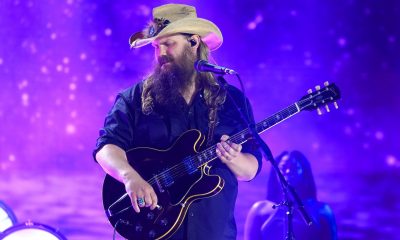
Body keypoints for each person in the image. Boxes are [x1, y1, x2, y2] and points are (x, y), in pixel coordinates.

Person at [93, 3, 262, 240]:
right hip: (154, 229)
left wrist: (234, 158)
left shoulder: (232, 101)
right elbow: (106, 147)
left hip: (213, 231)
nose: (161, 53)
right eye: (156, 46)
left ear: (194, 42)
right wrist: (129, 176)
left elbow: (251, 169)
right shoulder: (134, 98)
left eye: (168, 44)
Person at [244, 150, 338, 240]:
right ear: (275, 172)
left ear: (304, 172)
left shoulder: (322, 210)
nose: (288, 171)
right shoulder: (259, 210)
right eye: (283, 167)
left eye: (294, 167)